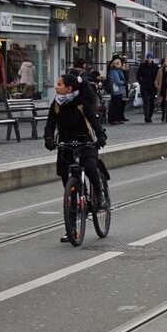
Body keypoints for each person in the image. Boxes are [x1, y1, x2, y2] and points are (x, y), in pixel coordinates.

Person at [44, 72, 108, 242]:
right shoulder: (56, 105)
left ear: (69, 88)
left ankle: (100, 196)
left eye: (59, 84)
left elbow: (94, 121)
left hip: (85, 142)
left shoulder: (82, 103)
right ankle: (71, 229)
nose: (56, 87)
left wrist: (101, 136)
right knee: (69, 190)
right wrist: (49, 140)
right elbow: (50, 125)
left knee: (90, 167)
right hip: (65, 145)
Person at [137, 52, 161, 123]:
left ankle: (150, 116)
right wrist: (141, 82)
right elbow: (138, 75)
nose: (149, 59)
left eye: (150, 58)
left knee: (151, 102)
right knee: (146, 102)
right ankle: (146, 116)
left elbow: (157, 77)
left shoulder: (156, 67)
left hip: (152, 86)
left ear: (152, 59)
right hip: (144, 86)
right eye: (148, 58)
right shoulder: (142, 66)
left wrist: (156, 84)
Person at [106, 57, 128, 125]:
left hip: (118, 90)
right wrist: (123, 82)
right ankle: (114, 119)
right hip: (116, 89)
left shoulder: (117, 71)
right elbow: (117, 81)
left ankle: (118, 118)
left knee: (118, 105)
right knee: (115, 105)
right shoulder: (113, 72)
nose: (121, 65)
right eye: (120, 64)